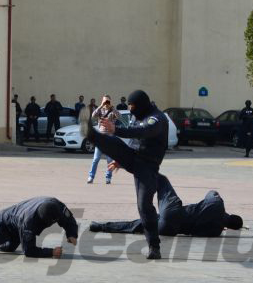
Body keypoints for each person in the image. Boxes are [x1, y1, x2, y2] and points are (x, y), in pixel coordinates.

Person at [81, 89, 168, 259]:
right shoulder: (138, 114)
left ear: (142, 105)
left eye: (133, 107)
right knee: (115, 144)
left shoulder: (157, 119)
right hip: (134, 157)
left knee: (144, 205)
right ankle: (91, 134)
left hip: (148, 167)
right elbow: (135, 141)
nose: (131, 111)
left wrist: (116, 129)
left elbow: (142, 131)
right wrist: (120, 160)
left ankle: (154, 247)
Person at [90, 174, 243, 237]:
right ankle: (100, 227)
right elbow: (196, 233)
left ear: (231, 215)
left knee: (162, 180)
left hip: (174, 211)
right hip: (169, 229)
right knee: (138, 225)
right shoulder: (216, 231)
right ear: (229, 227)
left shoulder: (218, 204)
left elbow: (212, 192)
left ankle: (139, 170)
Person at [88, 95, 118, 184]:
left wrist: (112, 108)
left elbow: (119, 116)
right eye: (105, 101)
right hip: (100, 139)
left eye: (108, 101)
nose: (106, 103)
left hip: (109, 139)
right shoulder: (100, 110)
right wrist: (101, 105)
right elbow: (93, 115)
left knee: (109, 160)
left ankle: (108, 178)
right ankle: (91, 177)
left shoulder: (112, 111)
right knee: (96, 159)